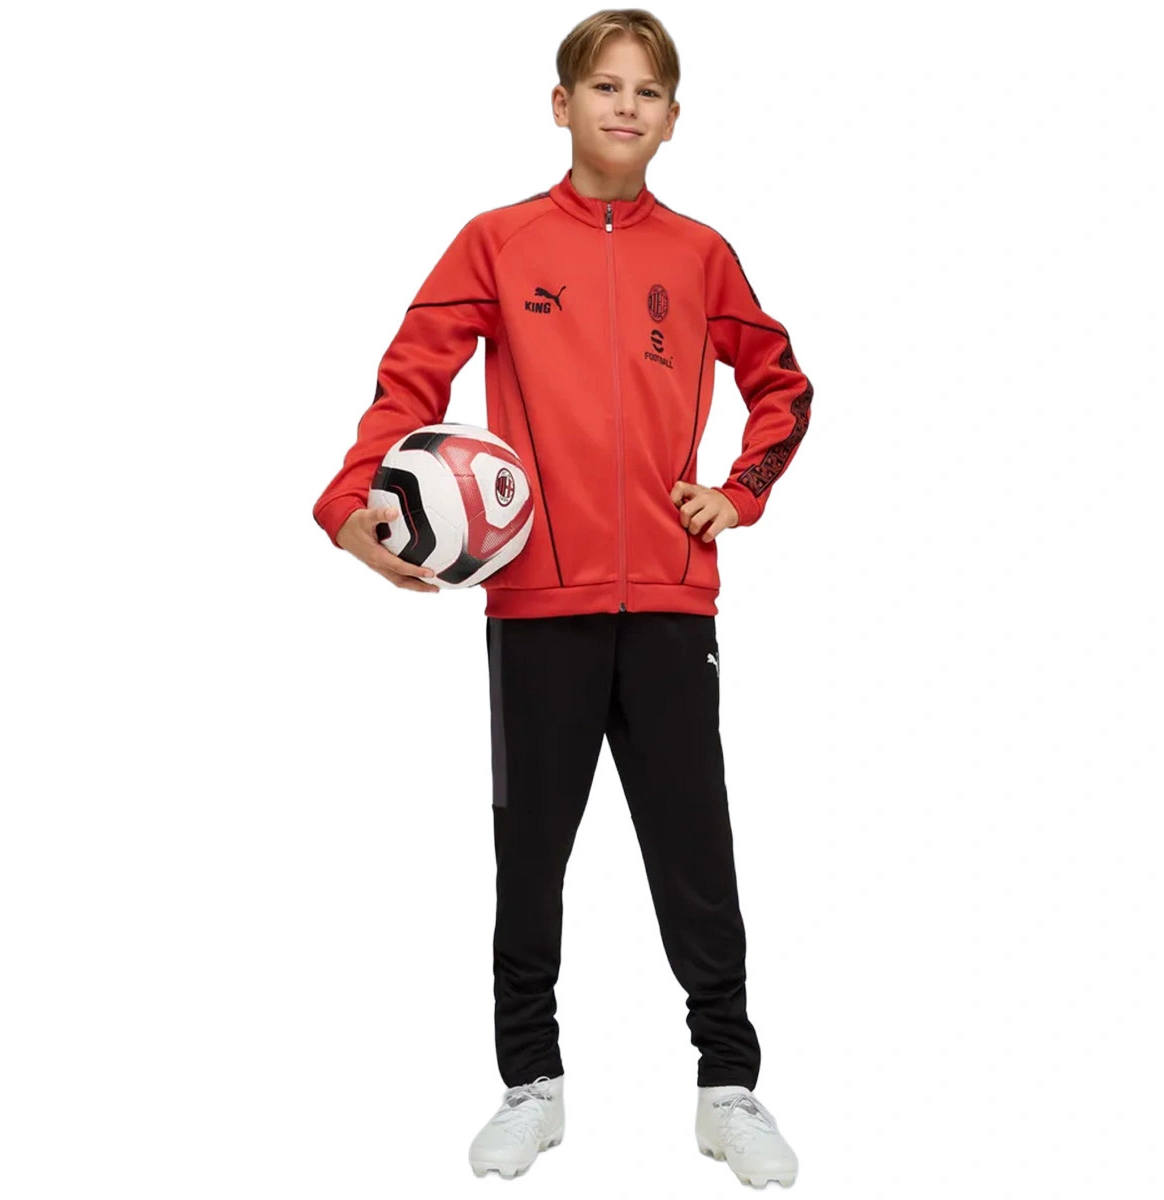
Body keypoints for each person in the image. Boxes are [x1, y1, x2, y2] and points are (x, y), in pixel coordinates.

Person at [311, 8, 813, 1189]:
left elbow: (782, 382)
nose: (625, 106)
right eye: (603, 86)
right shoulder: (496, 243)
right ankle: (530, 1085)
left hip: (674, 606)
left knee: (697, 853)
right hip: (536, 606)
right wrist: (347, 503)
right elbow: (410, 379)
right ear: (561, 105)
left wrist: (738, 493)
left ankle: (728, 1087)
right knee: (530, 859)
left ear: (673, 119)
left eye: (647, 91)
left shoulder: (701, 256)